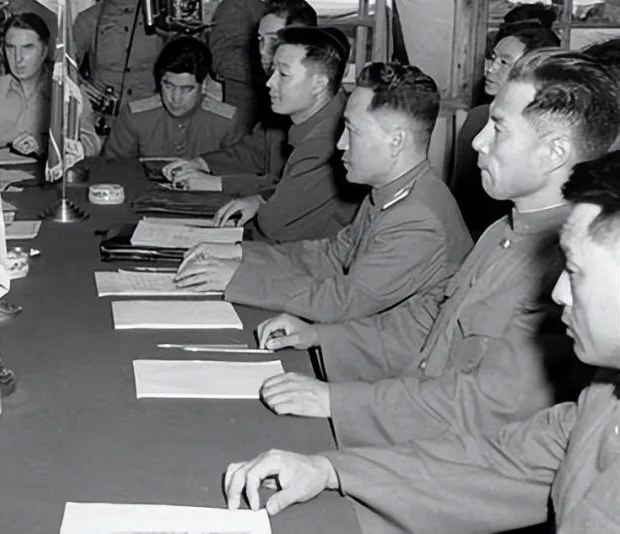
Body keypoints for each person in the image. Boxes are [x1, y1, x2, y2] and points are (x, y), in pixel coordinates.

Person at [222, 150, 620, 534]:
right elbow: (505, 459)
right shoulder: (603, 397)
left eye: (576, 270)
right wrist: (331, 470)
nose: (559, 293)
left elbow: (481, 413)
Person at [247, 51, 620, 449]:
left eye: (498, 128)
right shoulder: (503, 230)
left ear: (554, 152)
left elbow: (481, 407)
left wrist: (338, 402)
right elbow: (430, 326)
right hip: (411, 418)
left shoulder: (569, 264)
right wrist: (322, 337)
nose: (477, 141)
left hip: (448, 451)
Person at [178, 63, 471, 357]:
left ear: (396, 141)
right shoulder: (391, 192)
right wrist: (240, 254)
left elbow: (344, 301)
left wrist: (240, 278)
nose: (340, 143)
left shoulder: (418, 218)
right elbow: (331, 256)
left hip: (401, 363)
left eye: (352, 131)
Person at [176, 28, 358, 242]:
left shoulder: (323, 143)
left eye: (283, 74)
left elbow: (272, 227)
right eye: (273, 71)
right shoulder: (324, 122)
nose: (269, 82)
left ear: (319, 83)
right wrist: (260, 200)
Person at [164, 0, 319, 194]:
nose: (263, 52)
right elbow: (254, 152)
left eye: (274, 40)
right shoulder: (283, 102)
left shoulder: (328, 121)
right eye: (260, 40)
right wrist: (202, 163)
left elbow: (295, 189)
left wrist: (218, 183)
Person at [206, 0, 322, 128]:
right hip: (242, 117)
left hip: (271, 115)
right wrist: (276, 67)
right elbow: (220, 61)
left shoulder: (283, 7)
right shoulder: (237, 4)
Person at [450, 25, 560, 236]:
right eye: (493, 58)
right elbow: (462, 192)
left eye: (504, 62)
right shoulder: (477, 118)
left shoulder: (541, 129)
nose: (490, 69)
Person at [103, 37, 242, 160]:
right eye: (168, 86)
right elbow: (111, 170)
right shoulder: (135, 116)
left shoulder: (225, 122)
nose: (175, 98)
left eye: (186, 89)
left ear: (204, 85)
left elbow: (236, 174)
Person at [0, 12, 99, 157]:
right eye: (11, 48)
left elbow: (92, 145)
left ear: (44, 50)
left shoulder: (68, 93)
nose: (18, 58)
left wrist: (48, 145)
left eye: (27, 48)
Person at [74, 0, 164, 109]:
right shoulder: (87, 21)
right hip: (105, 118)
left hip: (150, 117)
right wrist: (79, 86)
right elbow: (63, 68)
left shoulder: (158, 14)